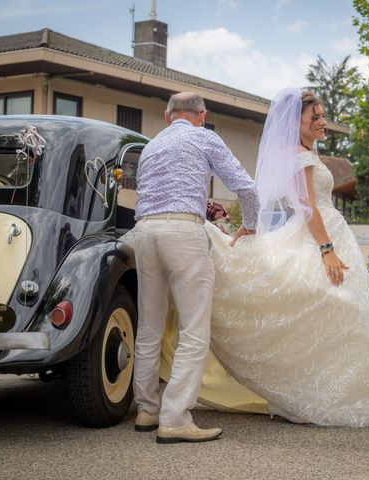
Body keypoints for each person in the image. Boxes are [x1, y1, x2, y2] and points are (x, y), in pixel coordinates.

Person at [202, 88, 369, 427]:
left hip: (327, 229)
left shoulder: (309, 152)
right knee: (340, 309)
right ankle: (326, 393)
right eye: (316, 117)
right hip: (318, 235)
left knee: (339, 314)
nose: (323, 121)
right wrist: (327, 250)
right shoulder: (300, 155)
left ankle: (339, 390)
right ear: (297, 123)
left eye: (322, 115)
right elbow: (307, 207)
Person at [132, 92, 260, 444]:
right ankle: (174, 417)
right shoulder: (204, 136)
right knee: (193, 329)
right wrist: (250, 223)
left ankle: (147, 410)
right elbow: (246, 187)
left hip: (143, 232)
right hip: (183, 232)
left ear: (167, 115)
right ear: (202, 116)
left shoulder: (151, 145)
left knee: (149, 326)